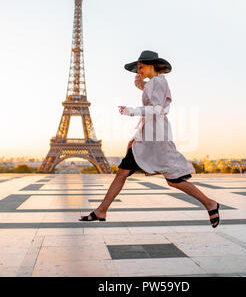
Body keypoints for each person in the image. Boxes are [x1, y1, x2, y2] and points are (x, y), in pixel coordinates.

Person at [79, 50, 220, 228]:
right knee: (124, 172)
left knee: (172, 180)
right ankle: (102, 210)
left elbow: (158, 108)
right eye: (137, 68)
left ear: (152, 65)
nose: (139, 71)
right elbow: (154, 98)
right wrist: (142, 87)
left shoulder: (159, 82)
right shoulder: (155, 82)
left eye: (141, 67)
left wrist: (132, 111)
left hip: (156, 139)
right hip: (149, 137)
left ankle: (209, 203)